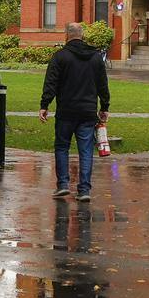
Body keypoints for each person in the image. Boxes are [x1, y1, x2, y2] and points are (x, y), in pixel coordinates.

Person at [39, 22, 110, 201]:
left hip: (66, 111)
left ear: (66, 35)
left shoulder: (60, 57)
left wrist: (45, 105)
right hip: (87, 111)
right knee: (86, 150)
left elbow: (51, 83)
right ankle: (84, 189)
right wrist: (105, 107)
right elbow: (103, 84)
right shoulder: (95, 57)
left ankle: (63, 184)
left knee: (62, 146)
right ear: (82, 35)